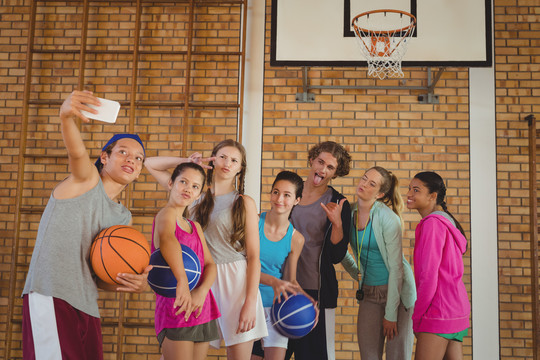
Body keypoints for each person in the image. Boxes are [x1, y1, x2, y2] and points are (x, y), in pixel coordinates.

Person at [21, 90, 151, 360]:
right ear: (104, 157)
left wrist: (131, 282)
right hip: (52, 294)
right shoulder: (86, 179)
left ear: (139, 171)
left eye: (138, 158)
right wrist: (66, 117)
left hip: (87, 305)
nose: (131, 159)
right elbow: (77, 153)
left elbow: (101, 275)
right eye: (123, 152)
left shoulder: (122, 217)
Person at [145, 139, 267, 360]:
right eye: (222, 157)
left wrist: (250, 302)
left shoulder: (244, 202)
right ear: (212, 159)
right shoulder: (192, 192)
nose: (227, 163)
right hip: (198, 277)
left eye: (234, 160)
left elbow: (254, 256)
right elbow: (150, 164)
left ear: (241, 168)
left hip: (234, 280)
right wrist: (188, 162)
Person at [341, 166, 416, 360]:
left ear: (380, 193)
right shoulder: (348, 213)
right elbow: (341, 252)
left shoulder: (388, 219)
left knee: (396, 356)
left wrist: (391, 315)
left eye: (371, 183)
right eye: (364, 178)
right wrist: (358, 274)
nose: (363, 184)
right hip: (369, 292)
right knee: (368, 355)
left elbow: (397, 269)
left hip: (398, 293)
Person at [286, 141, 352, 360]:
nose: (322, 169)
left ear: (335, 173)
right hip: (281, 287)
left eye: (330, 167)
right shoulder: (288, 192)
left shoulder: (338, 202)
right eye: (320, 161)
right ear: (312, 159)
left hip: (316, 293)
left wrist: (337, 224)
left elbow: (336, 255)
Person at [150, 162, 221, 360]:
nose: (188, 189)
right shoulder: (166, 214)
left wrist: (201, 291)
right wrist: (182, 280)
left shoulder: (195, 226)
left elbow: (210, 265)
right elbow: (167, 240)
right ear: (171, 183)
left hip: (201, 307)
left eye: (195, 186)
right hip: (177, 307)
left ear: (199, 194)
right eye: (183, 182)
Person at [406, 171, 470, 360]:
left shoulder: (432, 224)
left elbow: (428, 276)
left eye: (416, 190)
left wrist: (417, 317)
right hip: (456, 311)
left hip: (437, 313)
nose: (409, 194)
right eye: (409, 188)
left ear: (432, 196)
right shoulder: (447, 221)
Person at [251, 170, 308, 360]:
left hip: (276, 309)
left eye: (287, 195)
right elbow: (241, 269)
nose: (279, 199)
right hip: (248, 303)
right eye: (275, 192)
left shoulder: (296, 239)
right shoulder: (252, 222)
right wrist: (274, 282)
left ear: (297, 200)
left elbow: (290, 280)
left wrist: (308, 300)